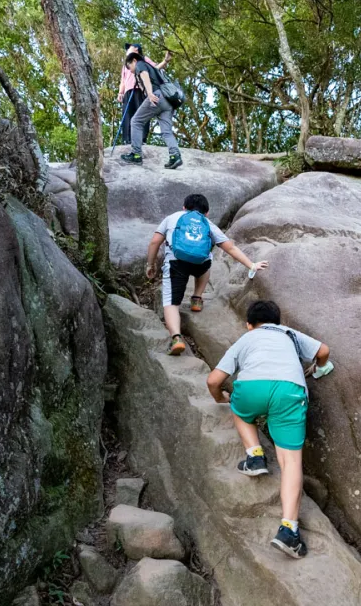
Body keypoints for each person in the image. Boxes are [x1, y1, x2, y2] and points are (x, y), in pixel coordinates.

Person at [206, 301, 331, 559]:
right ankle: (289, 530)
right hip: (290, 390)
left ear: (249, 325)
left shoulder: (246, 339)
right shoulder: (289, 334)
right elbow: (323, 350)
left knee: (240, 411)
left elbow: (213, 380)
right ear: (278, 321)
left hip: (251, 388)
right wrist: (318, 368)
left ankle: (254, 456)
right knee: (290, 462)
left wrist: (220, 397)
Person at [146, 194, 268, 355]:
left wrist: (151, 264)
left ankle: (176, 338)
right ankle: (197, 297)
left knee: (171, 302)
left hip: (176, 263)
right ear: (207, 212)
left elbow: (155, 241)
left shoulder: (173, 218)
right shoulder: (207, 224)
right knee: (207, 258)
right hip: (199, 264)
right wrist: (252, 265)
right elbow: (229, 248)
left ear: (184, 208)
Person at [120, 51, 182, 169]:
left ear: (134, 61)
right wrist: (165, 61)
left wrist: (149, 93)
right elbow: (155, 72)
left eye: (130, 67)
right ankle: (175, 156)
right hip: (168, 102)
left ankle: (136, 154)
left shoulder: (140, 64)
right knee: (167, 131)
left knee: (136, 121)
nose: (131, 71)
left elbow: (144, 75)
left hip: (156, 96)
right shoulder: (151, 67)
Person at [116, 43, 169, 146]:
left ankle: (142, 139)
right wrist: (120, 92)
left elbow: (155, 68)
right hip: (128, 91)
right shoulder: (126, 64)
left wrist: (165, 61)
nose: (127, 50)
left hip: (141, 90)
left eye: (129, 48)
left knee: (142, 114)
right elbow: (123, 80)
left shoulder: (143, 59)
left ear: (136, 49)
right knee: (127, 115)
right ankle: (127, 139)